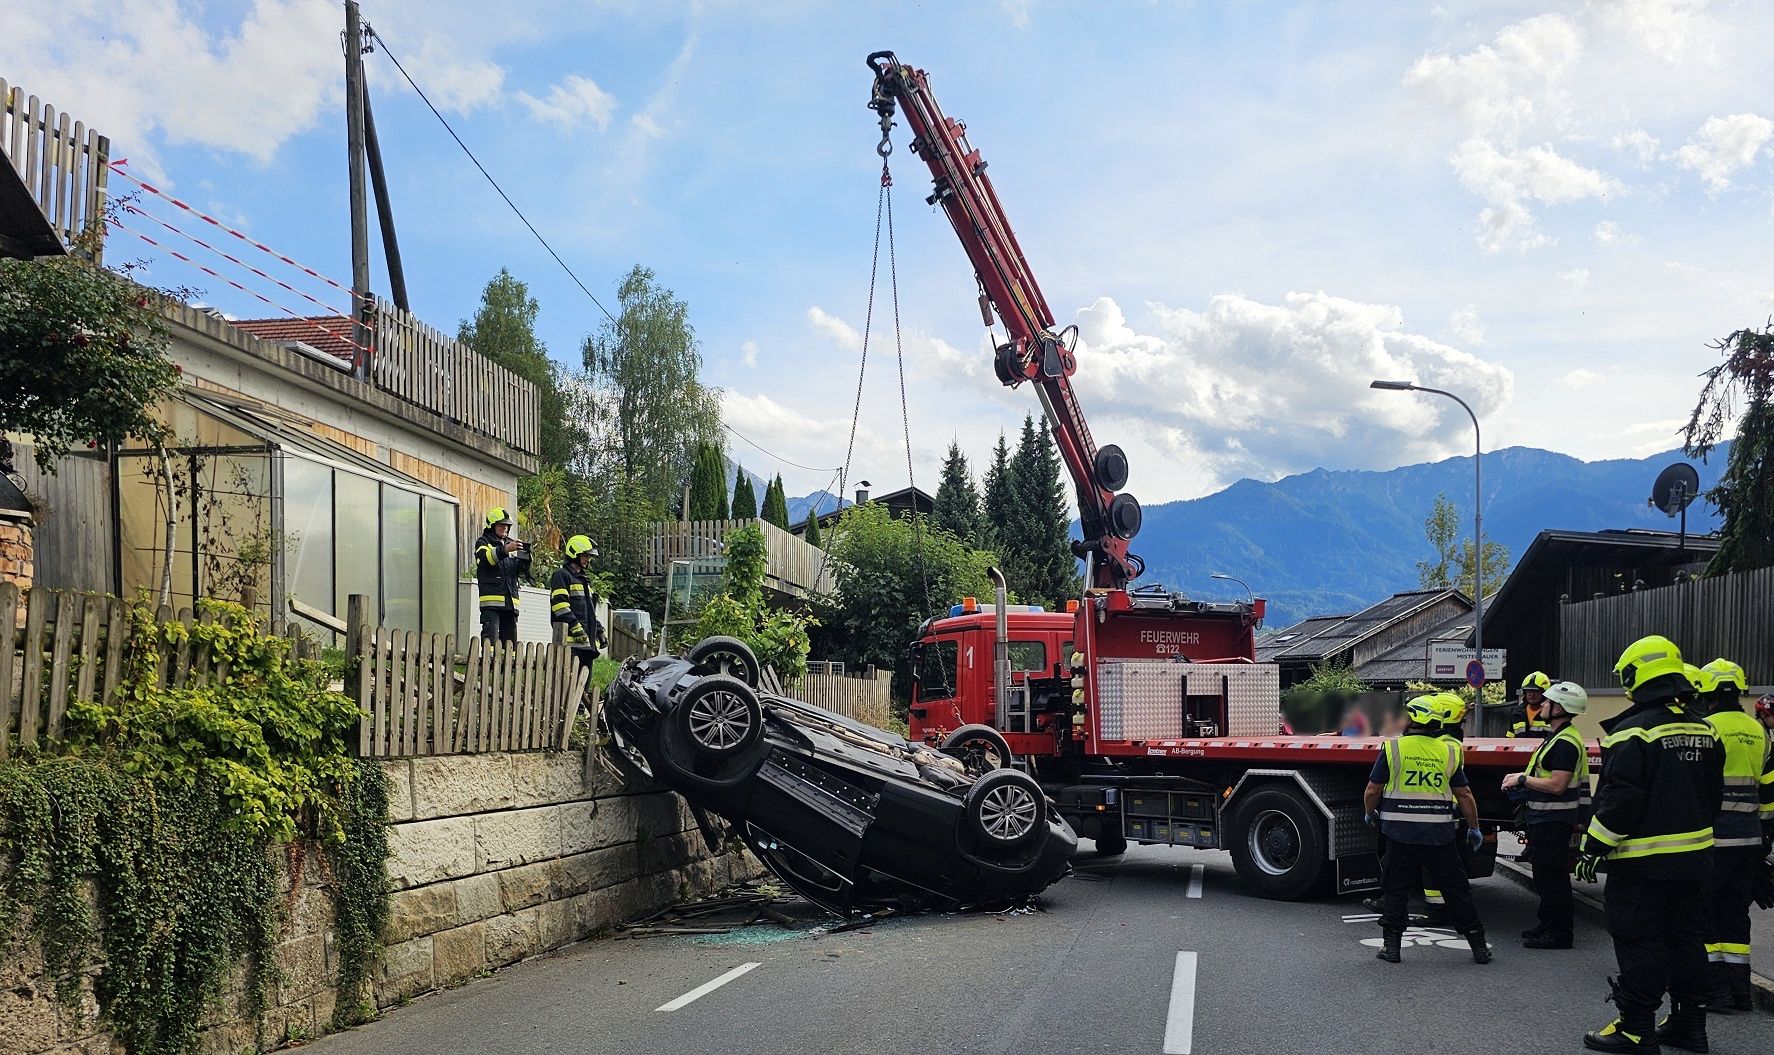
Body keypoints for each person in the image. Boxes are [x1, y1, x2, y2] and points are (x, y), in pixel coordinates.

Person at [1575, 635, 1723, 1055]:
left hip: (1641, 866)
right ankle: (1689, 1026)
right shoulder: (1704, 728)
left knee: (1641, 941)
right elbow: (1712, 797)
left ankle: (1637, 1029)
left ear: (1637, 676)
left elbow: (1619, 799)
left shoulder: (1632, 732)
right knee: (1687, 941)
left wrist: (1593, 847)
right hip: (1696, 861)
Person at [1363, 695, 1490, 965]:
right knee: (1456, 889)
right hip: (1439, 835)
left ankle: (1392, 947)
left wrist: (1369, 812)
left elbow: (1374, 789)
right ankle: (1478, 945)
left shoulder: (1393, 748)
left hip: (1400, 835)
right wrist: (1474, 827)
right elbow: (1464, 794)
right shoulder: (1449, 751)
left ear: (1413, 719)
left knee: (1396, 889)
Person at [1692, 658, 1771, 1014]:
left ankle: (1715, 992)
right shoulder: (1759, 732)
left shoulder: (1706, 729)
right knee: (1736, 915)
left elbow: (1697, 787)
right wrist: (1764, 836)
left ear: (1706, 691)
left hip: (1714, 839)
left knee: (1703, 913)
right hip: (1751, 839)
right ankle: (1740, 994)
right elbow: (1768, 790)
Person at [1501, 680, 1591, 949]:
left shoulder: (1565, 744)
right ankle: (1547, 923)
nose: (1542, 704)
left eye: (1548, 702)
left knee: (1553, 878)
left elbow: (1557, 785)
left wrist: (1522, 779)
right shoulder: (1558, 738)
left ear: (1560, 709)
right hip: (1545, 819)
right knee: (1544, 875)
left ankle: (1560, 933)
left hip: (1554, 820)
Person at [549, 534, 607, 669]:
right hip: (570, 644)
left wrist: (599, 630)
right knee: (567, 686)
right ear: (575, 553)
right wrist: (575, 627)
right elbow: (560, 606)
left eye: (589, 556)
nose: (588, 559)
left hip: (586, 645)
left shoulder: (584, 579)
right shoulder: (561, 575)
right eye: (585, 556)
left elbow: (589, 611)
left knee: (583, 687)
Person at [475, 507, 526, 644]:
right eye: (501, 525)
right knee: (490, 641)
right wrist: (505, 550)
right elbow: (485, 559)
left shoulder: (511, 544)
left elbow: (519, 573)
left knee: (510, 645)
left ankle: (508, 666)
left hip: (510, 604)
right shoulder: (483, 542)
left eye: (507, 525)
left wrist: (526, 560)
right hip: (492, 604)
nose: (505, 528)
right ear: (492, 525)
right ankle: (489, 664)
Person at [1508, 671, 1554, 740]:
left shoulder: (1551, 714)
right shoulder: (1517, 713)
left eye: (1536, 691)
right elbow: (1508, 739)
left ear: (1544, 693)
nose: (1531, 694)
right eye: (1529, 690)